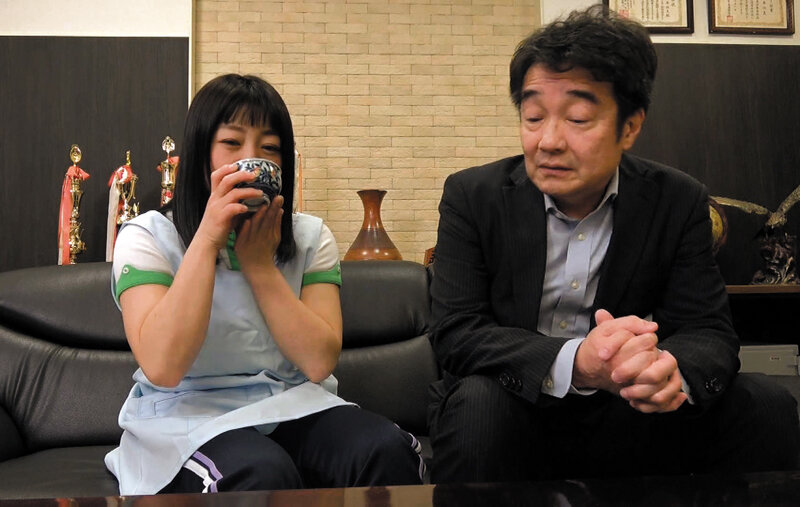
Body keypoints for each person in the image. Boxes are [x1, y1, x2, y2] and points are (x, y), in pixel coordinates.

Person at [428, 6, 799, 483]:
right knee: (478, 406)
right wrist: (576, 362)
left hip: (628, 409)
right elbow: (457, 331)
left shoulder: (677, 198)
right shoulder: (473, 196)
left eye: (578, 118)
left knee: (766, 404)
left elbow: (707, 331)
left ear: (630, 127)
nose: (548, 141)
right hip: (514, 401)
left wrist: (668, 370)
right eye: (533, 116)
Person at [105, 74, 424, 495]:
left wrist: (258, 264)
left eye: (269, 148)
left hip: (294, 404)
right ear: (200, 153)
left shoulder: (310, 237)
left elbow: (318, 362)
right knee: (260, 473)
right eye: (232, 143)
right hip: (187, 415)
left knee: (385, 450)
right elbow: (163, 366)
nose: (252, 159)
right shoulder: (147, 237)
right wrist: (208, 238)